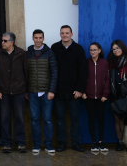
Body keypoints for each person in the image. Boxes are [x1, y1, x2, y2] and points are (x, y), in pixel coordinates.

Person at [50, 25, 87, 153]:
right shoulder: (55, 48)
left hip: (74, 92)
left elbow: (83, 71)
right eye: (62, 33)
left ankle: (76, 143)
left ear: (71, 34)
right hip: (58, 91)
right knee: (59, 118)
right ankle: (62, 143)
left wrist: (80, 89)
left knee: (75, 118)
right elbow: (51, 69)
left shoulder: (78, 49)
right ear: (60, 34)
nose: (65, 35)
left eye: (67, 33)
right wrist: (52, 89)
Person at [0, 32, 29, 153]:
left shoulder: (21, 53)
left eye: (5, 41)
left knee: (19, 118)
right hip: (4, 92)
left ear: (12, 42)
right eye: (2, 40)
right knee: (5, 118)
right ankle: (7, 143)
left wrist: (26, 90)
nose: (2, 42)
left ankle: (21, 143)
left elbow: (26, 73)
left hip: (19, 92)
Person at [26, 29, 58, 155]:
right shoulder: (28, 53)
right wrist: (26, 90)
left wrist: (51, 90)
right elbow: (25, 73)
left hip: (46, 92)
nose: (38, 40)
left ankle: (48, 144)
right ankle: (37, 144)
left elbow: (54, 73)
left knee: (47, 119)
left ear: (43, 39)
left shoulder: (49, 53)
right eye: (36, 38)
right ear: (33, 38)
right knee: (34, 119)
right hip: (32, 92)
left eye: (40, 38)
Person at [82, 42, 110, 154]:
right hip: (88, 96)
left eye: (94, 50)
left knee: (101, 119)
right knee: (91, 119)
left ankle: (101, 141)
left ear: (99, 50)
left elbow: (108, 79)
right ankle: (94, 142)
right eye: (91, 50)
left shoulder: (104, 63)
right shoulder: (86, 62)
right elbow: (82, 77)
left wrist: (105, 94)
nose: (92, 52)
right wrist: (83, 92)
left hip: (101, 97)